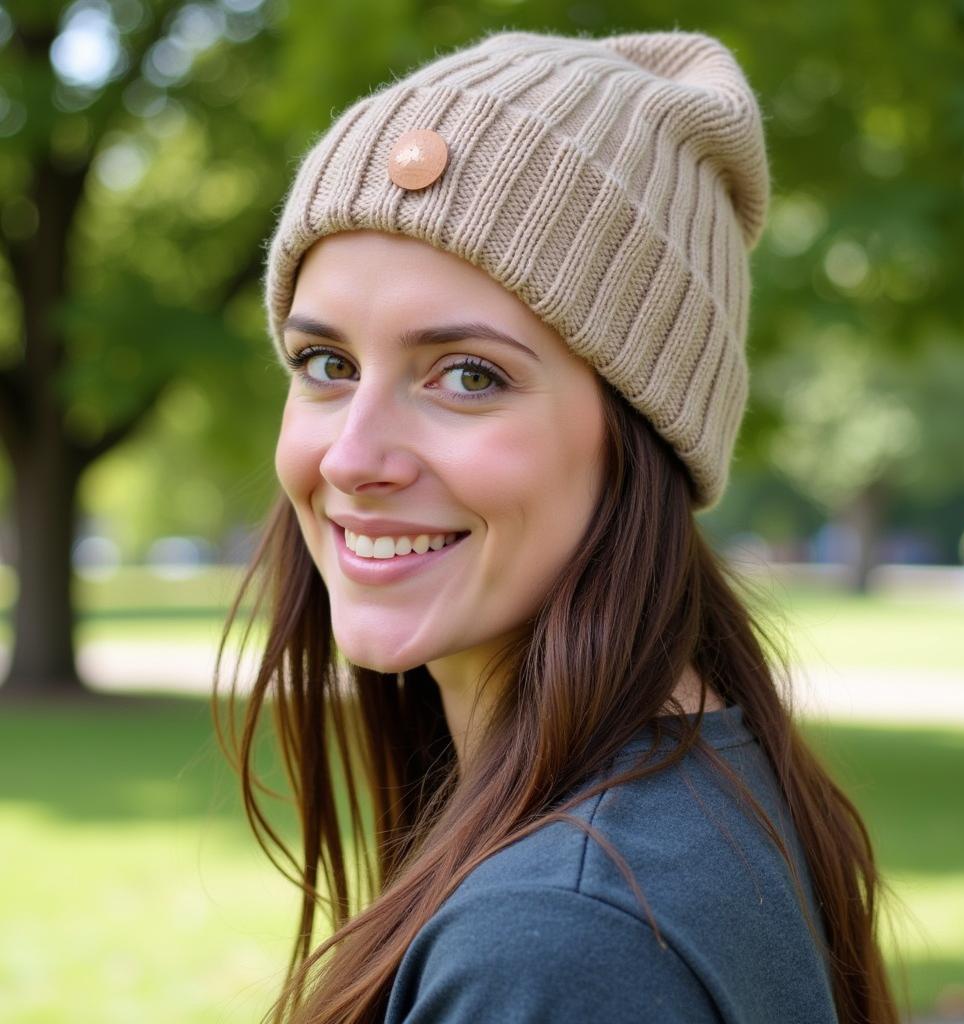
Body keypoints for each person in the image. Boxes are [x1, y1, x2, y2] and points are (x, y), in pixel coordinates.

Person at [215, 27, 904, 1024]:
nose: (353, 457)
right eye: (325, 363)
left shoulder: (561, 946)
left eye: (467, 375)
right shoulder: (698, 791)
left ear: (642, 437)